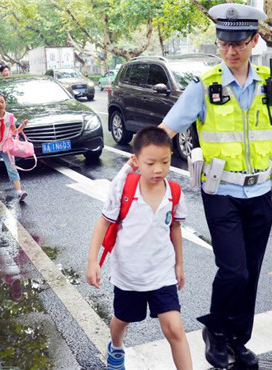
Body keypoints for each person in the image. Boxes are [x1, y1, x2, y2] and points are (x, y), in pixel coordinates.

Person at [159, 3, 272, 368]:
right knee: (234, 270)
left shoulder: (269, 85)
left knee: (252, 272)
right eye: (223, 43)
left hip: (261, 193)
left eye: (238, 44)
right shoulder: (204, 86)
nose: (230, 51)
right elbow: (165, 129)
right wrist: (138, 167)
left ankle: (236, 339)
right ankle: (215, 330)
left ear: (254, 40)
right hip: (221, 194)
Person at [86, 127, 192, 370]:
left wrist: (179, 264)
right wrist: (92, 262)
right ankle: (116, 347)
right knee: (122, 320)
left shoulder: (174, 192)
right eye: (150, 163)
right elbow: (103, 222)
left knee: (175, 328)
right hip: (129, 275)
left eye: (165, 162)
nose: (158, 169)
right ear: (135, 161)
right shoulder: (123, 188)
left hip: (161, 273)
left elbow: (175, 228)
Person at [0, 93, 28, 201]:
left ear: (5, 103)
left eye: (2, 102)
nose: (0, 104)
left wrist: (22, 126)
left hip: (6, 147)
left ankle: (19, 192)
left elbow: (14, 132)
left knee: (12, 168)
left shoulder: (10, 117)